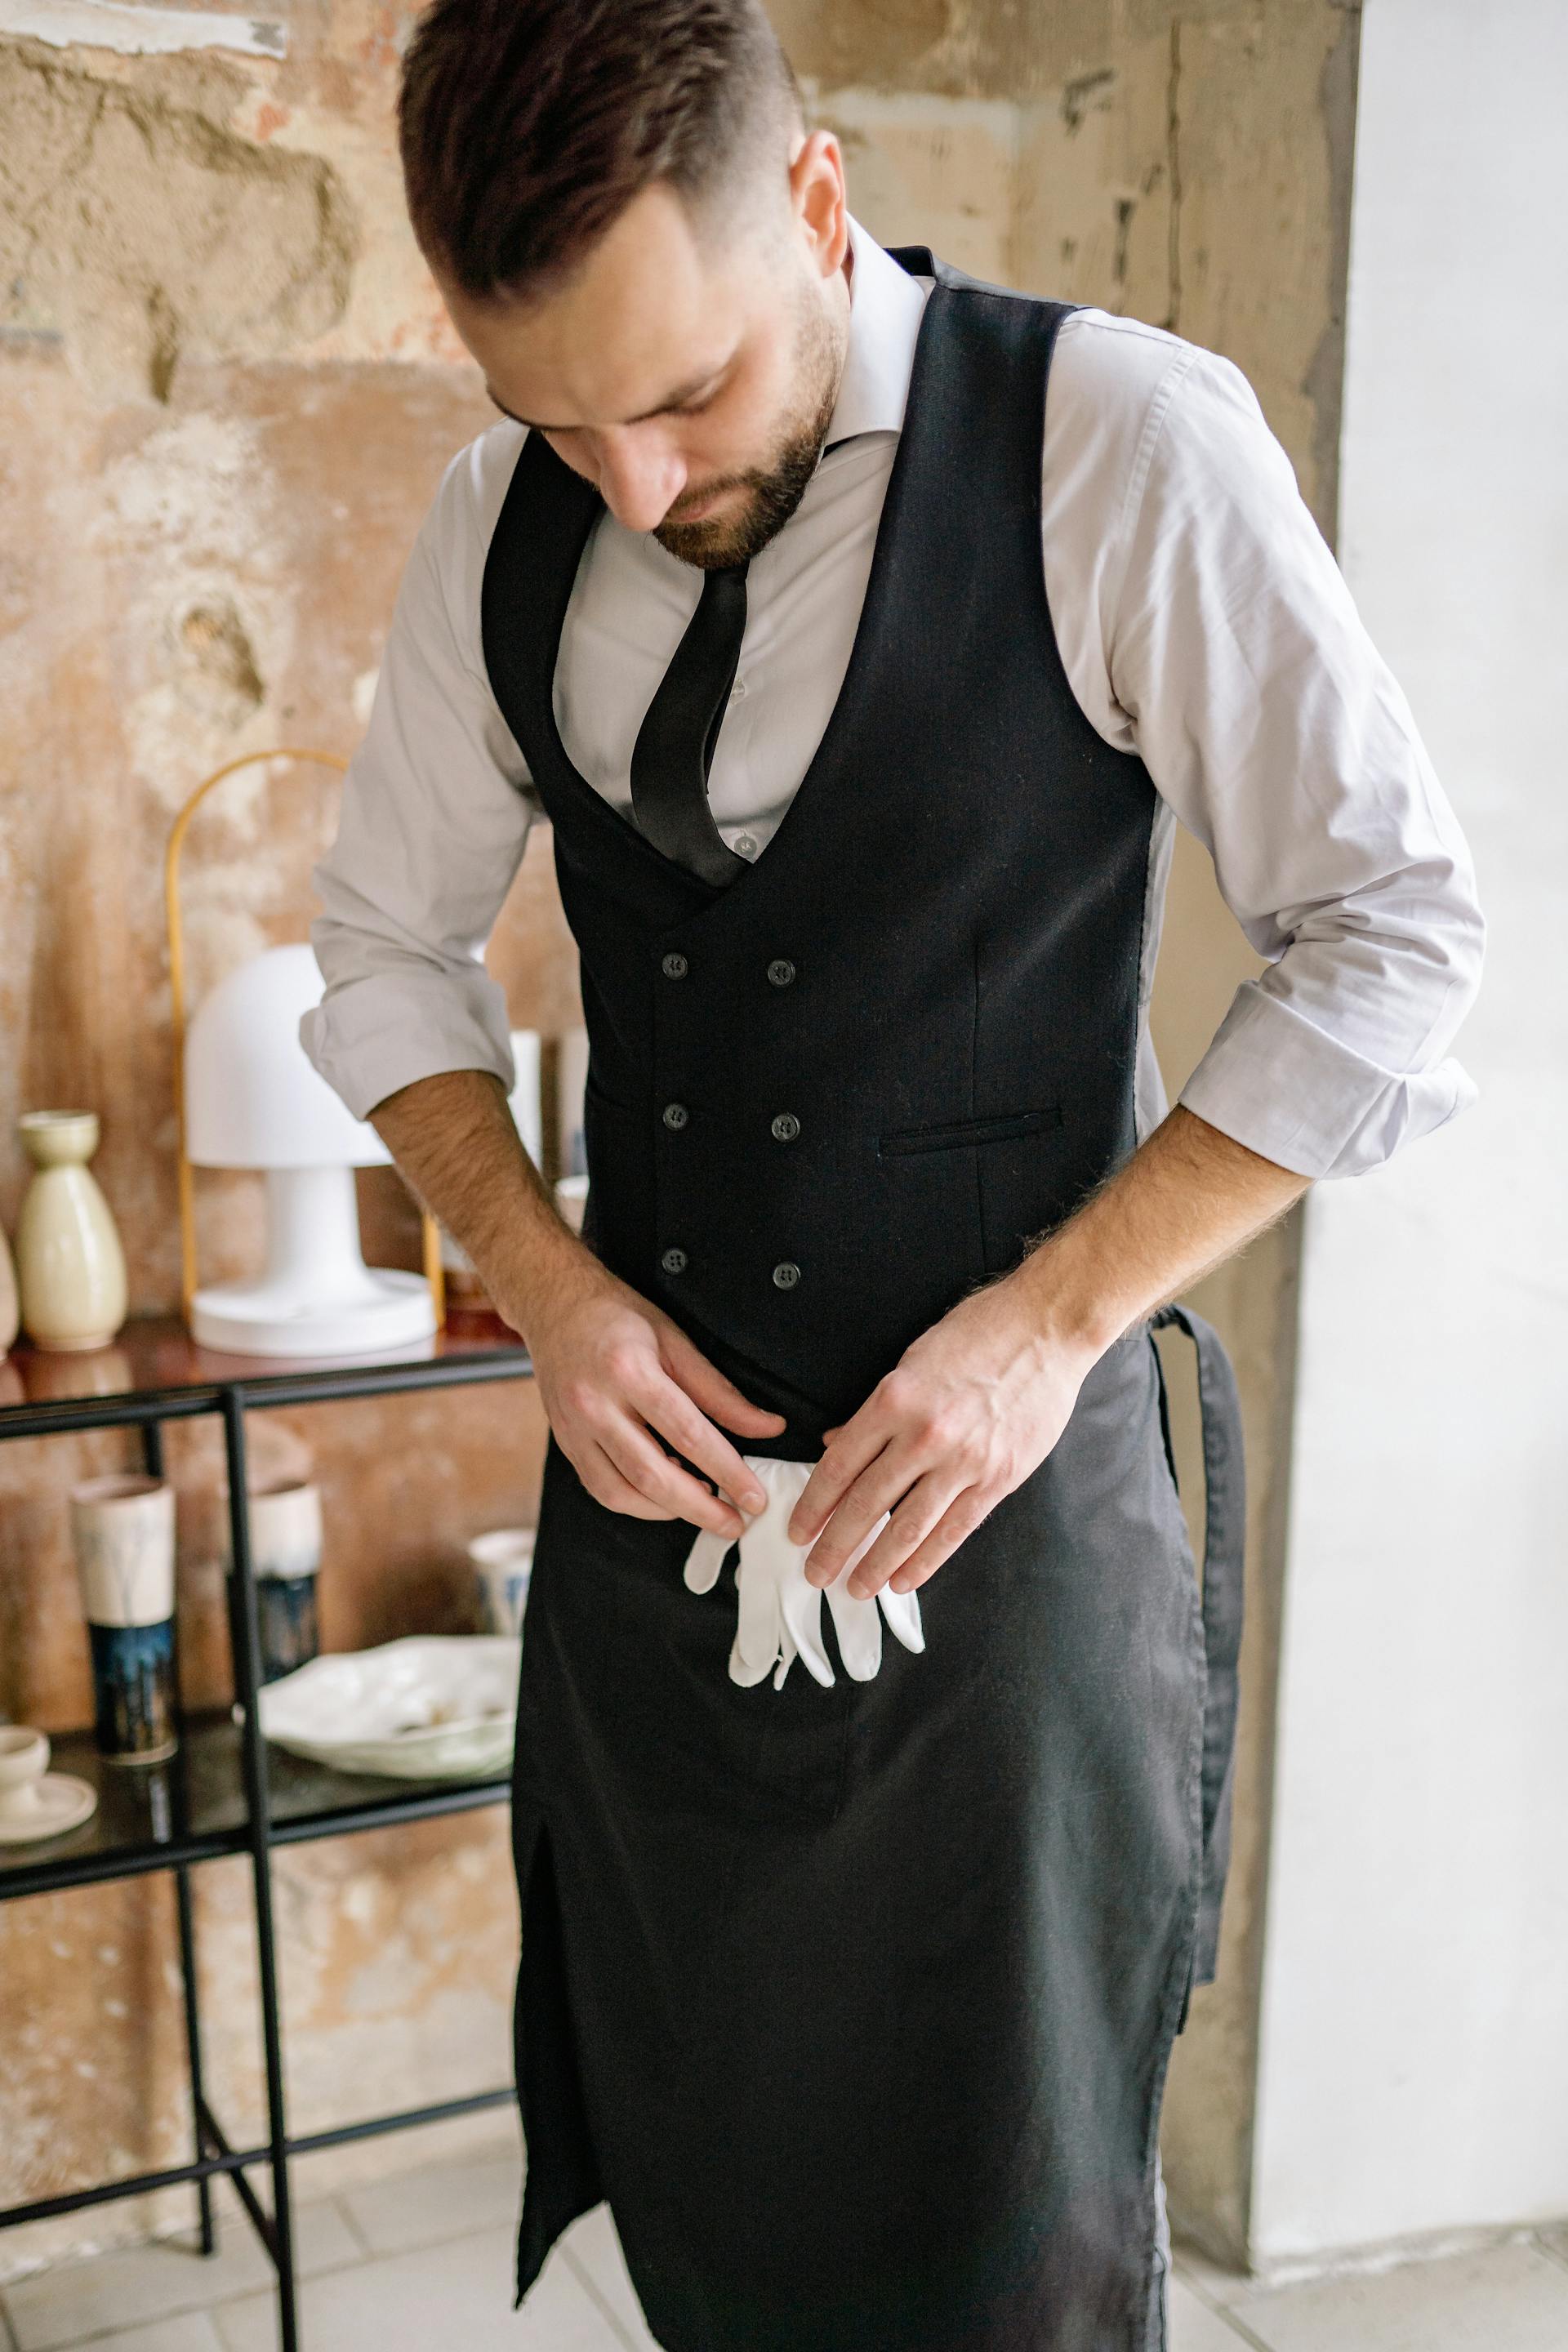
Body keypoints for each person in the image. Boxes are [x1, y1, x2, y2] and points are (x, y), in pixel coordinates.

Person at [299, 2, 1486, 2345]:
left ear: (819, 205)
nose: (625, 480)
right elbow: (379, 954)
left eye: (683, 394)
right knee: (715, 2204)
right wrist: (543, 1285)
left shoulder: (1117, 444)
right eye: (555, 416)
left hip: (1009, 1562)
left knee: (1013, 2246)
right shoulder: (495, 523)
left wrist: (1047, 1330)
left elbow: (1396, 943)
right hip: (657, 1582)